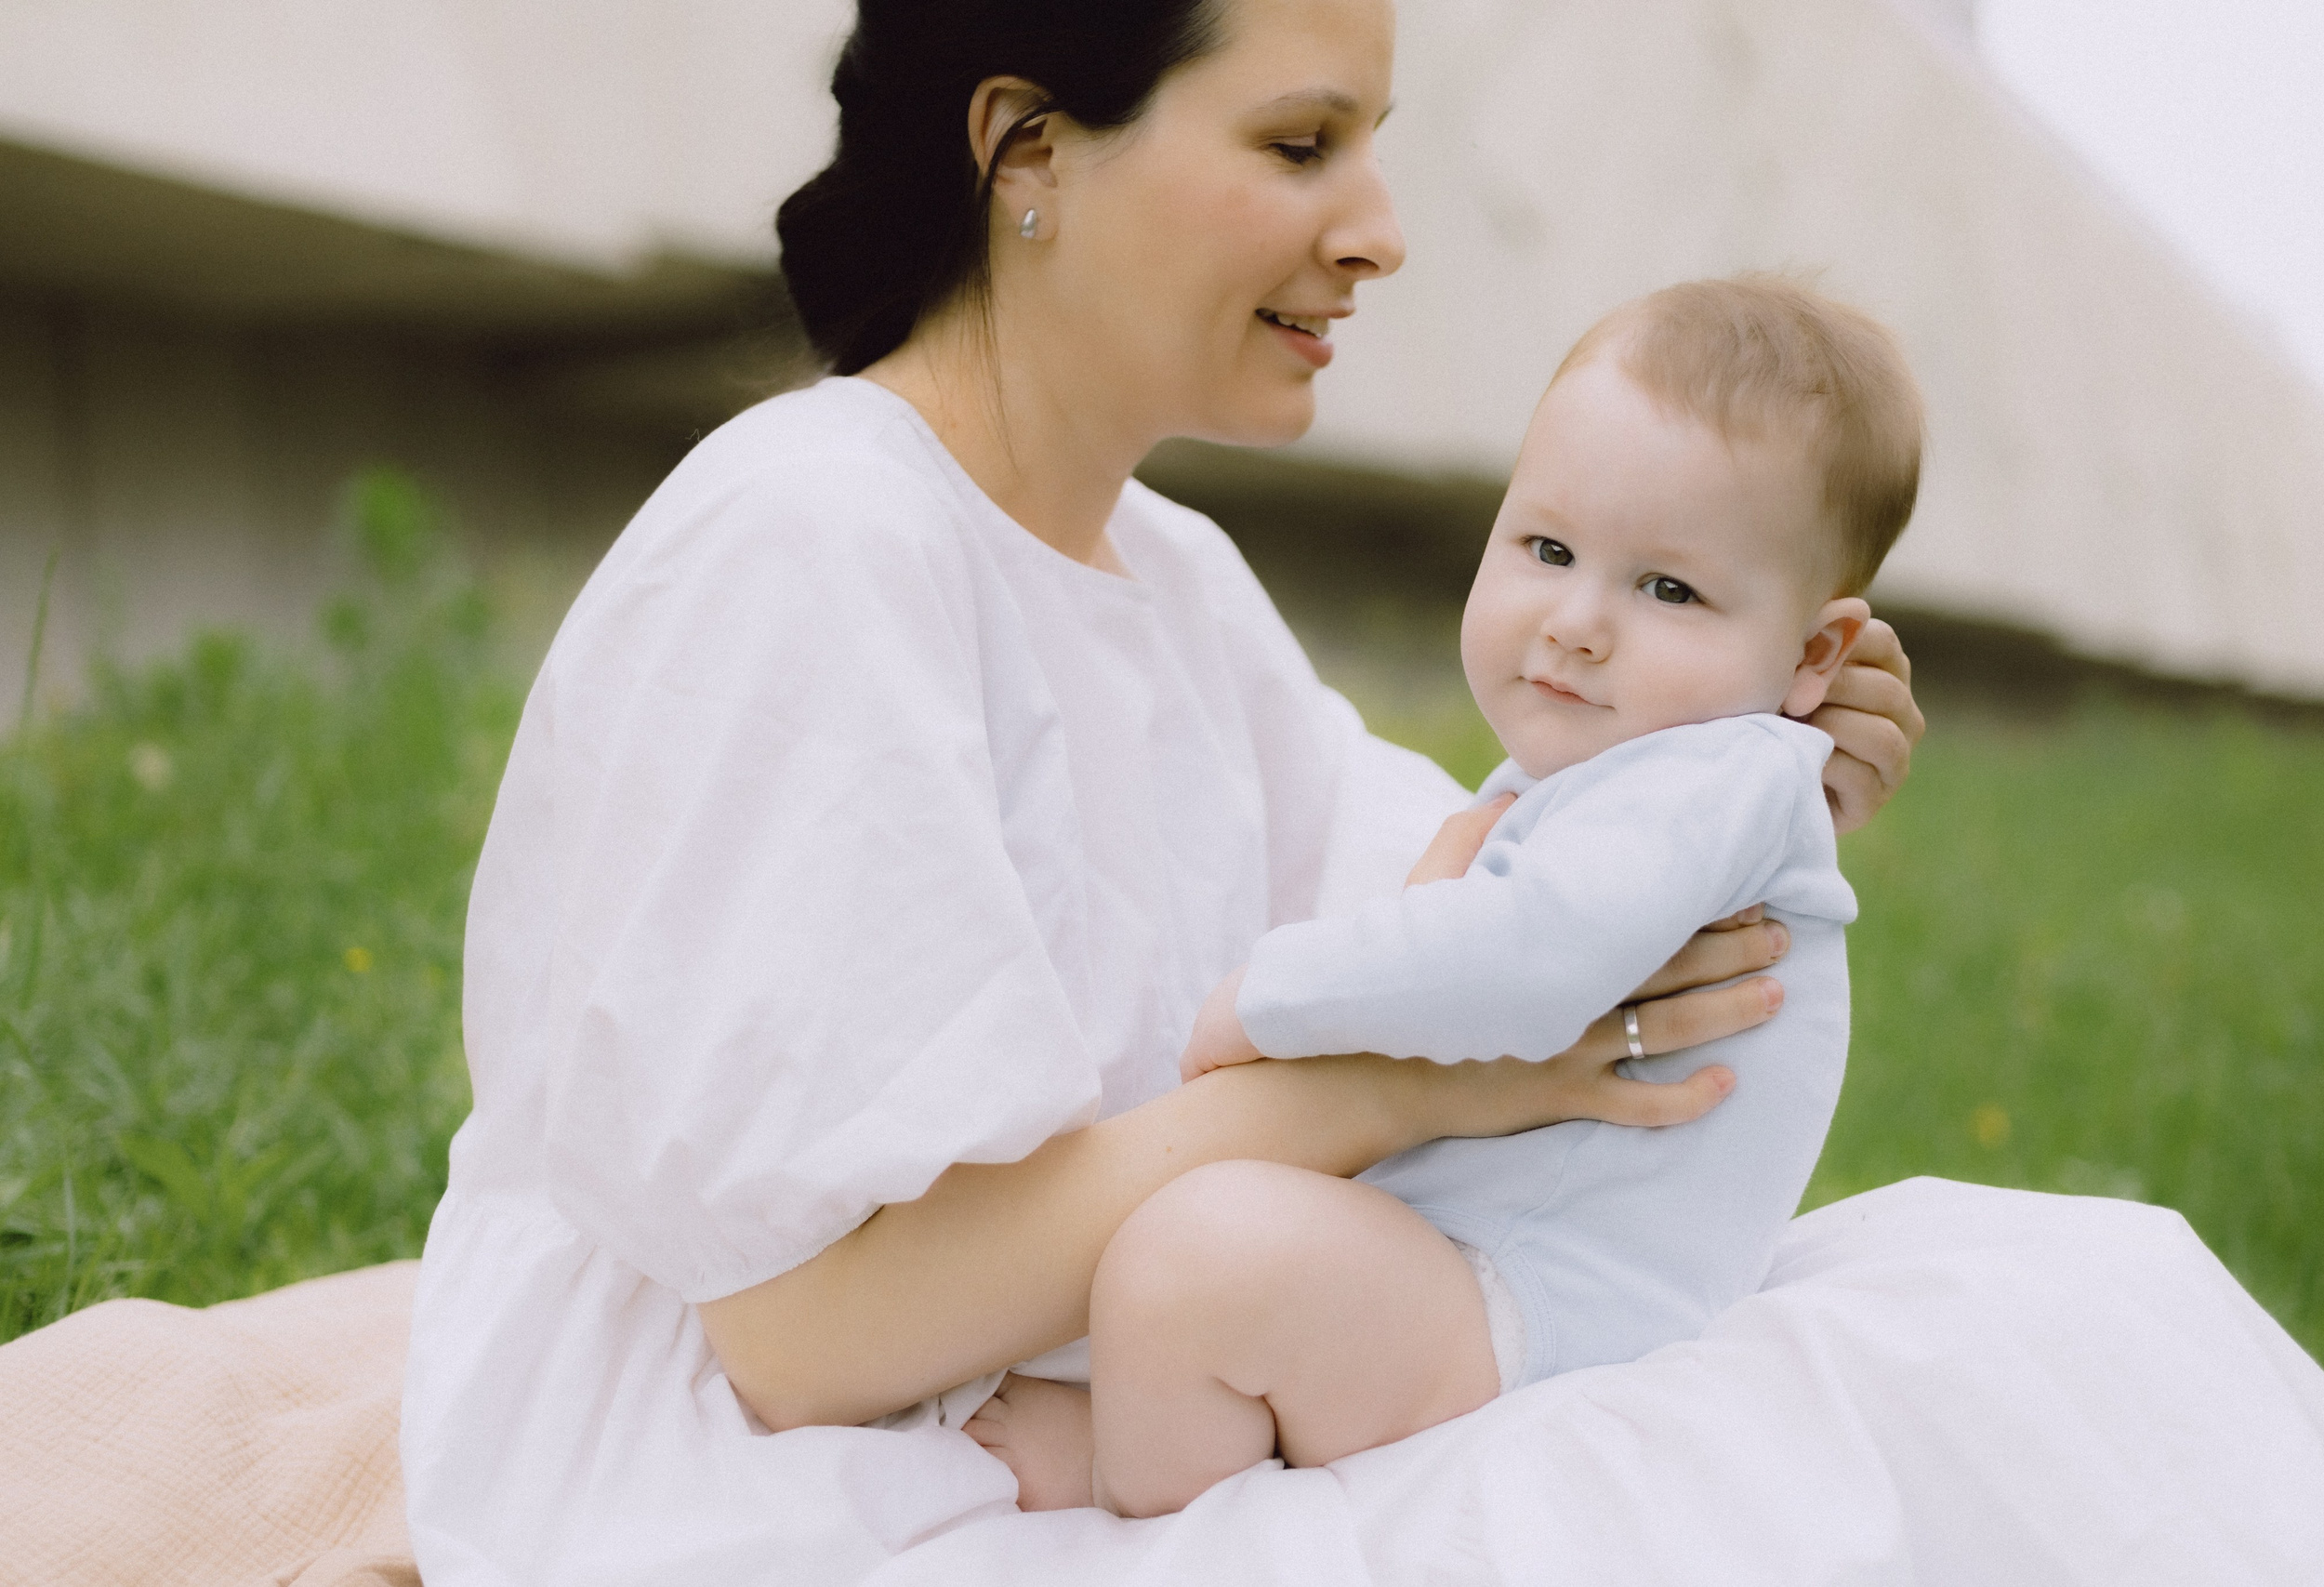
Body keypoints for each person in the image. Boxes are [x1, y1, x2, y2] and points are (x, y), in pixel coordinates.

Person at [399, 0, 1925, 1575]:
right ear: (1030, 149)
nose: (1381, 235)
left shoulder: (1172, 571)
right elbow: (803, 1337)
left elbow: (1460, 893)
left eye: (1372, 153)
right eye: (1299, 145)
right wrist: (1421, 1085)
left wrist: (1720, 779)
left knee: (1926, 1380)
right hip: (800, 1445)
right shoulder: (814, 539)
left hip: (1135, 1372)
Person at [1067, 275, 1924, 1516]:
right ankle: (1135, 1456)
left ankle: (1174, 1532)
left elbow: (1525, 961)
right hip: (1482, 1259)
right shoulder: (1625, 771)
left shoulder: (1720, 775)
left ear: (1812, 658)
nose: (1578, 622)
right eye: (1550, 549)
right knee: (1201, 1253)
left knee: (1195, 1260)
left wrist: (1269, 1001)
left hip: (1547, 1298)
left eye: (1667, 589)